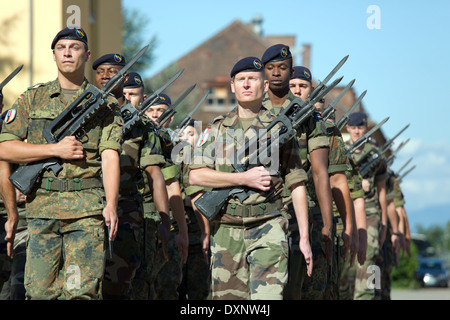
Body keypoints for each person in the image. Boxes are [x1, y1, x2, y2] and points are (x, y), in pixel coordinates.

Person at [0, 26, 123, 299]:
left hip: (86, 209)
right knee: (40, 292)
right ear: (53, 55)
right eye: (61, 47)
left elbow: (110, 154)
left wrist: (111, 204)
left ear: (87, 54)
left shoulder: (106, 103)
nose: (68, 52)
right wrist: (55, 149)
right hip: (42, 208)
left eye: (75, 47)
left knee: (81, 293)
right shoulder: (32, 98)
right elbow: (5, 149)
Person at [189, 56, 312, 300]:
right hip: (226, 231)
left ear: (264, 86)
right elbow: (196, 175)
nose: (246, 84)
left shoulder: (280, 129)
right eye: (241, 80)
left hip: (269, 226)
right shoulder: (216, 129)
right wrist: (243, 179)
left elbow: (297, 183)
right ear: (232, 86)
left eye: (253, 79)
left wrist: (305, 238)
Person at [260, 46, 332, 300]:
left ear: (290, 71)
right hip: (255, 210)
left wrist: (326, 222)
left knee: (290, 288)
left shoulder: (308, 116)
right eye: (272, 68)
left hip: (294, 212)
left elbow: (321, 172)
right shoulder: (251, 107)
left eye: (283, 68)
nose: (278, 74)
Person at [93, 61, 169, 300]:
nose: (106, 76)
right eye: (101, 72)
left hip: (126, 211)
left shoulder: (142, 126)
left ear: (124, 77)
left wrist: (164, 222)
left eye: (112, 72)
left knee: (119, 283)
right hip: (87, 205)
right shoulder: (86, 113)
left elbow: (155, 174)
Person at [142, 93, 189, 300]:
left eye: (160, 111)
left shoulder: (177, 147)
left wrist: (182, 231)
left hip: (169, 224)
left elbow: (174, 186)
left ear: (170, 117)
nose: (155, 115)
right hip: (141, 222)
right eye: (150, 110)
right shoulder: (140, 137)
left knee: (167, 288)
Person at [345, 111, 393, 300]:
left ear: (366, 128)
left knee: (369, 259)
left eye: (360, 127)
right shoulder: (341, 151)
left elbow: (382, 191)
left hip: (371, 212)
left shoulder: (375, 155)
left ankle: (365, 296)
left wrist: (383, 224)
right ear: (348, 128)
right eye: (353, 128)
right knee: (346, 266)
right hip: (347, 213)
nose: (357, 132)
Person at [176, 119, 211, 300]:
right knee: (176, 288)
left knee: (200, 290)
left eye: (191, 134)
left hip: (199, 236)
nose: (187, 138)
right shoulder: (175, 161)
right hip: (179, 233)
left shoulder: (205, 160)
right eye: (183, 134)